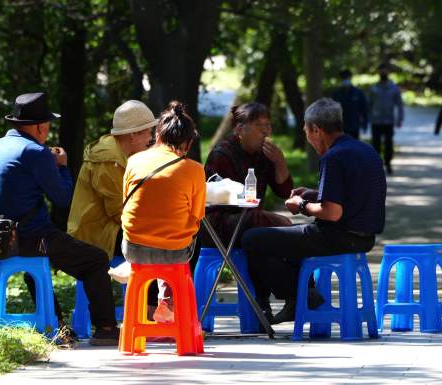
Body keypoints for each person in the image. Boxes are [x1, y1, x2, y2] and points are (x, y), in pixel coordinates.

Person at [0, 92, 119, 345]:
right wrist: (62, 165)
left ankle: (56, 324)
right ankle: (107, 329)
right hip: (29, 236)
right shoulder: (36, 152)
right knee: (96, 259)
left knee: (36, 266)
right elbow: (64, 198)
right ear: (41, 126)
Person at [242, 98, 386, 324]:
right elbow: (351, 195)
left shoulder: (333, 157)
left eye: (307, 132)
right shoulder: (365, 151)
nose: (308, 139)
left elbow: (332, 213)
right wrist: (311, 193)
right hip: (365, 238)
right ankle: (298, 297)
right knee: (285, 243)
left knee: (253, 239)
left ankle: (300, 296)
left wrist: (300, 205)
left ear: (316, 130)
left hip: (336, 236)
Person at [113, 101, 206, 323]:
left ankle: (151, 291)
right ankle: (170, 305)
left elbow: (126, 201)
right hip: (174, 252)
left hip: (133, 248)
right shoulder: (194, 170)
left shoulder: (134, 161)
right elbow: (197, 215)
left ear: (157, 136)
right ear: (189, 142)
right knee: (187, 241)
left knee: (163, 239)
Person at [67, 100, 156, 260]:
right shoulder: (109, 160)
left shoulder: (120, 151)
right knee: (158, 243)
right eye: (148, 132)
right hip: (98, 233)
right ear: (133, 135)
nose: (151, 138)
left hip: (112, 226)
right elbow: (119, 211)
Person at [203, 102, 293, 247]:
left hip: (248, 221)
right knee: (280, 226)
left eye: (268, 125)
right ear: (240, 129)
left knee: (286, 231)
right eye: (258, 125)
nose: (265, 131)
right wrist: (269, 219)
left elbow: (285, 192)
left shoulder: (263, 155)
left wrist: (280, 162)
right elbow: (224, 201)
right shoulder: (222, 154)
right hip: (219, 225)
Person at [370, 63, 404, 175]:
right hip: (376, 121)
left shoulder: (394, 88)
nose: (383, 72)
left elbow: (399, 104)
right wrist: (365, 118)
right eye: (381, 70)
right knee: (376, 144)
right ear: (378, 72)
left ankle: (388, 163)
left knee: (389, 143)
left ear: (388, 72)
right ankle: (376, 165)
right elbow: (368, 104)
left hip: (389, 120)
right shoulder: (373, 88)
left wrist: (400, 119)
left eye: (385, 70)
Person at [331, 69, 369, 140]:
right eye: (343, 78)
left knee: (354, 147)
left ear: (350, 78)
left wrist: (365, 125)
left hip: (354, 126)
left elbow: (364, 109)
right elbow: (331, 111)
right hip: (340, 128)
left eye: (347, 78)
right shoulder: (336, 94)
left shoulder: (358, 93)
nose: (345, 80)